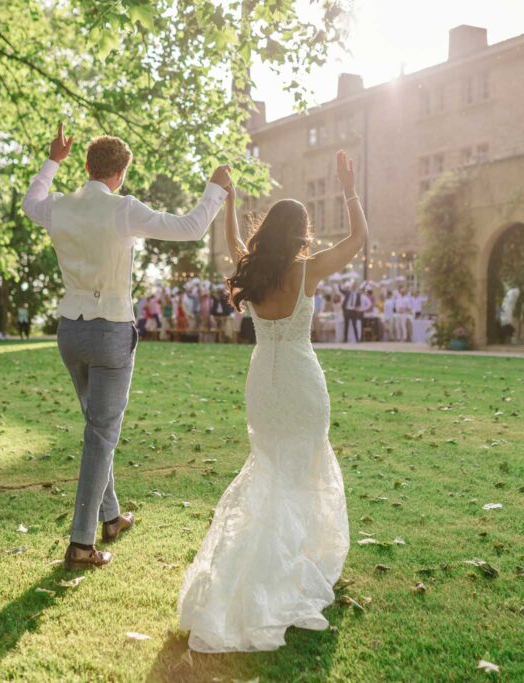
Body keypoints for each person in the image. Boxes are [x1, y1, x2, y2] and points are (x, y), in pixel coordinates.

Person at [22, 123, 232, 569]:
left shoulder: (59, 207)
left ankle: (112, 517)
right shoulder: (123, 209)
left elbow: (30, 203)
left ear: (86, 167)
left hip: (70, 332)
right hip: (109, 329)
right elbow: (192, 228)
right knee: (101, 434)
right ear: (120, 174)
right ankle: (81, 544)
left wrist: (51, 161)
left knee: (97, 429)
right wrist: (215, 186)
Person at [178, 150, 364, 653]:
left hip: (264, 378)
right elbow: (358, 240)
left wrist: (231, 201)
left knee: (270, 469)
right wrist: (348, 186)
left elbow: (233, 240)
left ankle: (269, 565)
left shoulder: (253, 269)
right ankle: (292, 568)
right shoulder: (308, 272)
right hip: (302, 380)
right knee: (304, 472)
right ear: (300, 232)